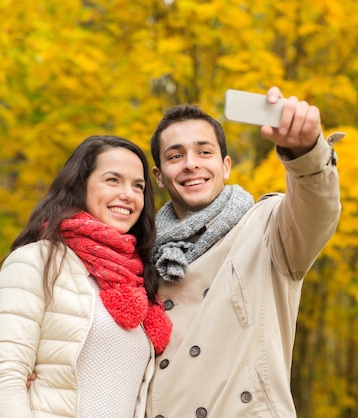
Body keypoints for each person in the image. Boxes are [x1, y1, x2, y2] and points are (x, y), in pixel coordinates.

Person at [145, 86, 343, 417]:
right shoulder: (144, 257)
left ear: (225, 166)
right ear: (160, 177)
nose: (191, 164)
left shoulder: (267, 229)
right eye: (175, 156)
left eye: (204, 152)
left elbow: (317, 210)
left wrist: (305, 152)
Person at [0, 135, 172, 418]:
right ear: (80, 186)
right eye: (112, 180)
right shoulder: (36, 262)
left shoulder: (141, 281)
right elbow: (3, 380)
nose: (128, 194)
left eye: (138, 186)